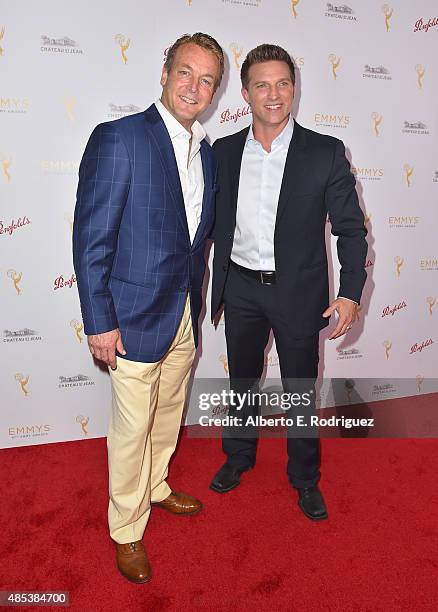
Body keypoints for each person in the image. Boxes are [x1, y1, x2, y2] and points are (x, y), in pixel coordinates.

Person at [73, 33, 224, 583]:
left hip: (182, 307)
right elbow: (92, 237)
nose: (195, 87)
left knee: (167, 411)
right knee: (132, 426)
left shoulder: (204, 149)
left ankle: (156, 484)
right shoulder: (120, 139)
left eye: (206, 79)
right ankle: (126, 528)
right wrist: (99, 320)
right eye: (186, 72)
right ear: (164, 73)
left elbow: (193, 237)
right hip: (131, 313)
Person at [209, 44, 367, 520]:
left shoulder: (325, 152)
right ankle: (238, 457)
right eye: (262, 84)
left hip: (298, 294)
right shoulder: (224, 151)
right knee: (242, 382)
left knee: (299, 391)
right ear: (245, 93)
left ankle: (304, 478)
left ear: (294, 89)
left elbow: (351, 229)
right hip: (240, 288)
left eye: (282, 83)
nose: (273, 94)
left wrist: (350, 292)